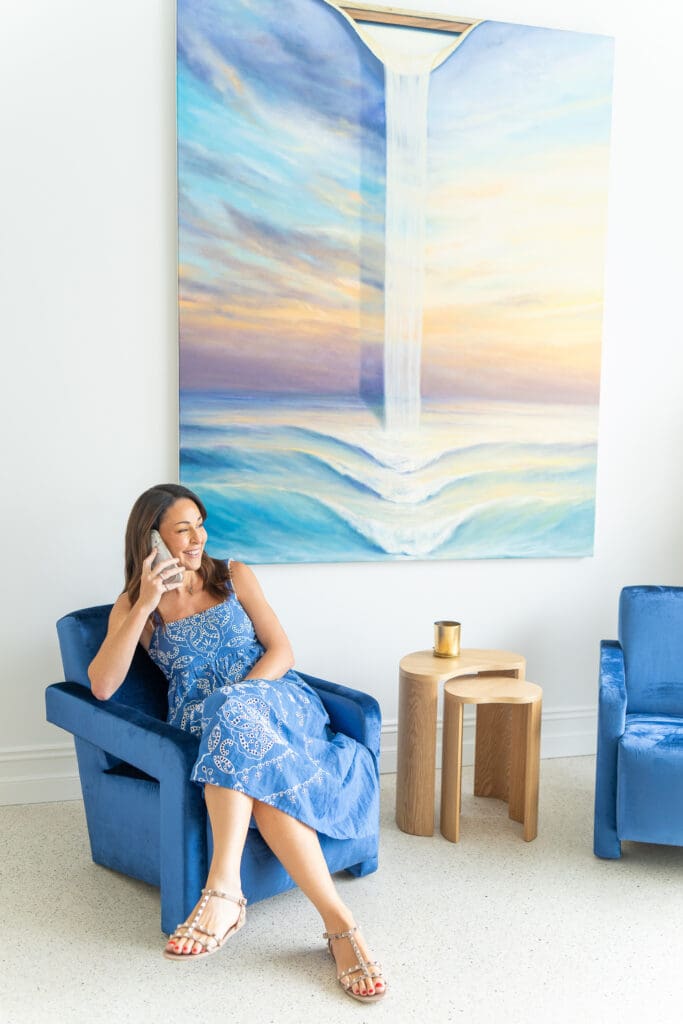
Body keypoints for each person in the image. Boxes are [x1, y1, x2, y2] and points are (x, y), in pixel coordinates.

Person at [88, 483, 385, 1002]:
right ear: (151, 539)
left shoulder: (232, 575)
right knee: (257, 775)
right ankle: (341, 926)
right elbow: (102, 685)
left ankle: (224, 890)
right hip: (206, 728)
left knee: (233, 715)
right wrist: (145, 602)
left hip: (274, 701)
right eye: (183, 530)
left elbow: (281, 650)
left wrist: (239, 698)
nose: (197, 538)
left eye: (200, 526)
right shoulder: (135, 606)